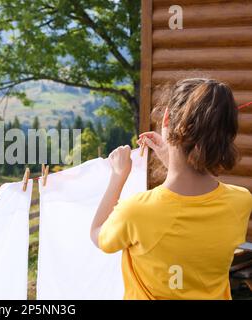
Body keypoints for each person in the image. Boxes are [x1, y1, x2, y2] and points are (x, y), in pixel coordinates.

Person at [90, 78, 252, 300]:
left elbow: (98, 234)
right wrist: (171, 159)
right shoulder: (241, 202)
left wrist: (118, 176)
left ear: (166, 119)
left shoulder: (137, 211)